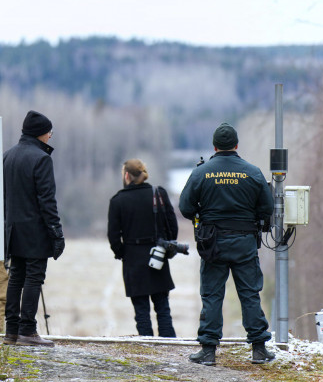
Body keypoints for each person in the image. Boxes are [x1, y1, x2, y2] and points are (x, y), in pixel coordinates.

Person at [179, 122, 275, 366]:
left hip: (213, 244)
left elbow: (186, 207)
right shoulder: (252, 172)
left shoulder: (202, 173)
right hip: (244, 243)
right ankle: (259, 349)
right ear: (236, 145)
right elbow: (267, 208)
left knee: (212, 295)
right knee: (250, 294)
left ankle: (208, 351)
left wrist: (204, 215)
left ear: (214, 146)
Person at [3, 110, 65, 347]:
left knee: (16, 277)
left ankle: (11, 331)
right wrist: (56, 233)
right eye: (49, 132)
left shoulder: (8, 156)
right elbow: (47, 201)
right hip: (35, 231)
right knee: (34, 277)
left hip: (12, 229)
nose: (50, 136)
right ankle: (28, 330)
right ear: (41, 134)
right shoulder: (41, 159)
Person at [107, 159, 178, 337]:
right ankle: (170, 349)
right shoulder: (158, 193)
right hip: (158, 256)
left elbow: (113, 236)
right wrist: (166, 249)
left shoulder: (118, 200)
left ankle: (149, 349)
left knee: (141, 312)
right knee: (163, 308)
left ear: (126, 175)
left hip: (133, 260)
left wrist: (123, 253)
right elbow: (172, 226)